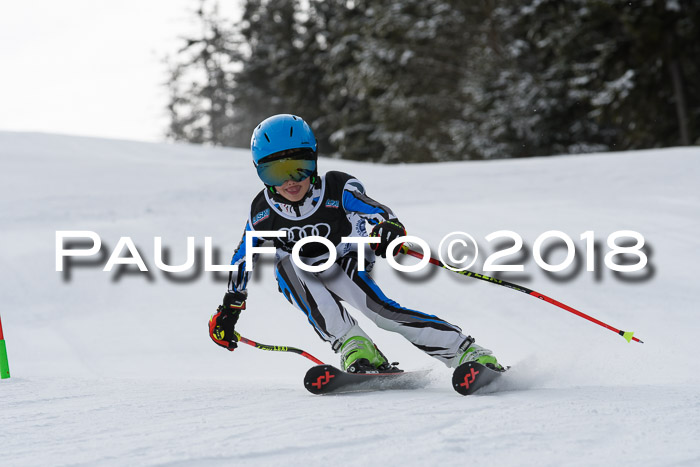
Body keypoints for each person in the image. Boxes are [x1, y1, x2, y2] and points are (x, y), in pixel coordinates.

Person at [209, 114, 503, 373]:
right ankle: (355, 346)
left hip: (347, 257)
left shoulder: (338, 187)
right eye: (275, 172)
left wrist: (388, 229)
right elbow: (244, 256)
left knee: (382, 314)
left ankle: (465, 350)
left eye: (299, 167)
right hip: (301, 268)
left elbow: (376, 211)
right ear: (260, 173)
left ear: (314, 160)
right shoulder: (262, 212)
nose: (290, 181)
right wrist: (231, 306)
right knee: (286, 264)